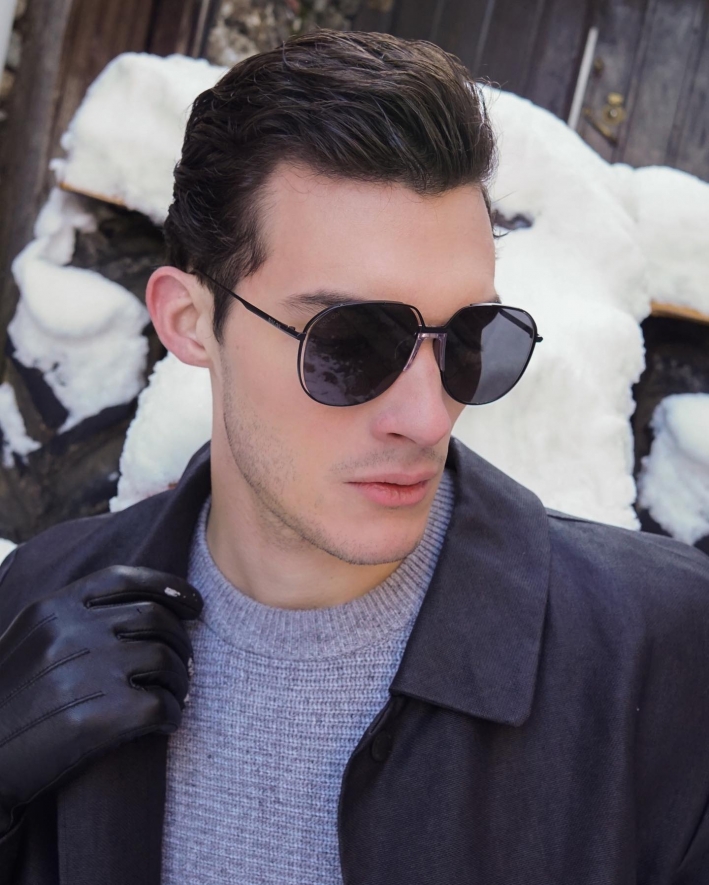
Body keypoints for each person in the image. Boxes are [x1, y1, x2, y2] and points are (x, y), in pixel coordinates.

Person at [1, 28, 708, 885]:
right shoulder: (35, 609)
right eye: (350, 342)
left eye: (470, 338)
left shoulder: (665, 653)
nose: (427, 415)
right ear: (189, 321)